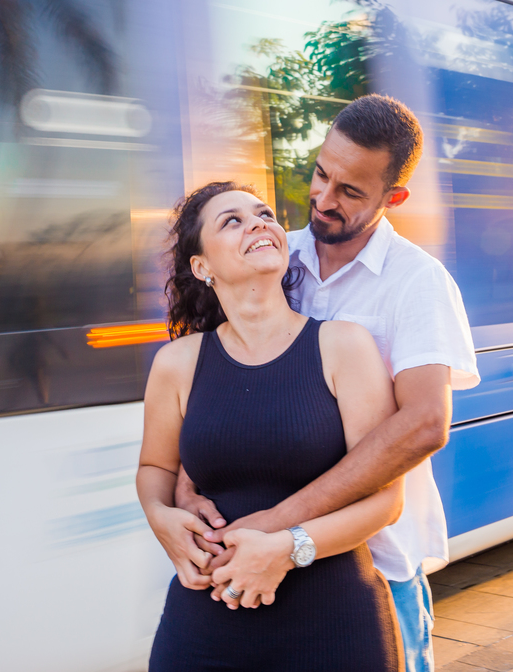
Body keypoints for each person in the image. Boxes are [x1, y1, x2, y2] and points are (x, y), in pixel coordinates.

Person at [175, 95, 480, 672]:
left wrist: (279, 523)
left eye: (351, 191)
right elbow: (215, 378)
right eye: (321, 173)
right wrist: (185, 487)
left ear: (394, 199)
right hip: (255, 559)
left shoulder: (417, 283)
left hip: (376, 564)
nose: (323, 197)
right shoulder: (273, 254)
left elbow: (423, 425)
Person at [138, 181, 406, 671]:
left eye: (263, 214)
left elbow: (387, 499)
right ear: (203, 267)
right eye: (232, 221)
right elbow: (155, 466)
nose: (259, 223)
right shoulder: (176, 364)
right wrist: (160, 518)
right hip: (204, 622)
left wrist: (287, 550)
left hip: (332, 624)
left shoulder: (343, 346)